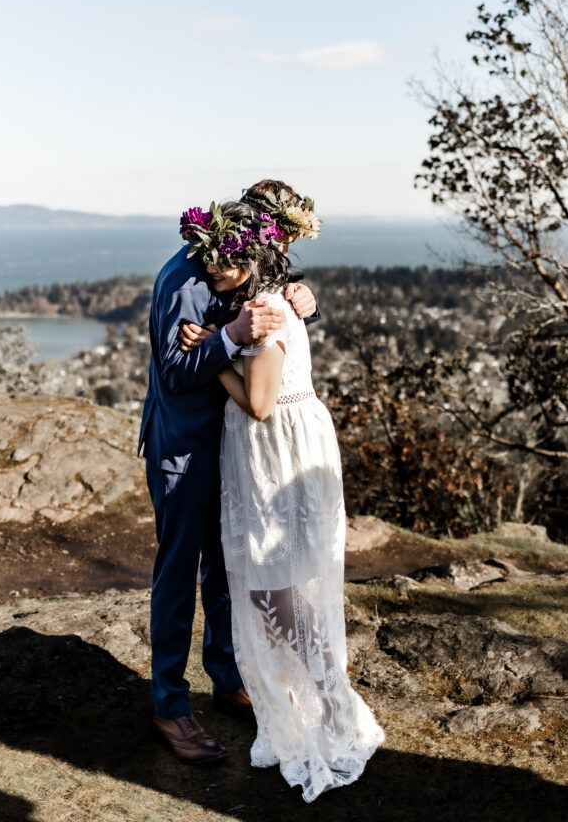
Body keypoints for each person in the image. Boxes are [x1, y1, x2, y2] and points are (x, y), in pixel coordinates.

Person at [185, 197, 384, 802]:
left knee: (276, 586)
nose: (212, 271)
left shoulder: (266, 315)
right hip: (284, 449)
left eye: (224, 262)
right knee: (285, 584)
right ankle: (316, 695)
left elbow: (260, 403)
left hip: (277, 452)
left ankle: (331, 701)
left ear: (251, 259)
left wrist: (211, 355)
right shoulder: (270, 303)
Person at [138, 183, 319, 764]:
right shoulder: (186, 281)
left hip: (228, 443)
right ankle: (169, 706)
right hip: (184, 449)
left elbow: (274, 326)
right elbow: (174, 373)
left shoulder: (242, 263)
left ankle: (225, 675)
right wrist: (230, 337)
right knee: (179, 571)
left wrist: (303, 299)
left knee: (224, 563)